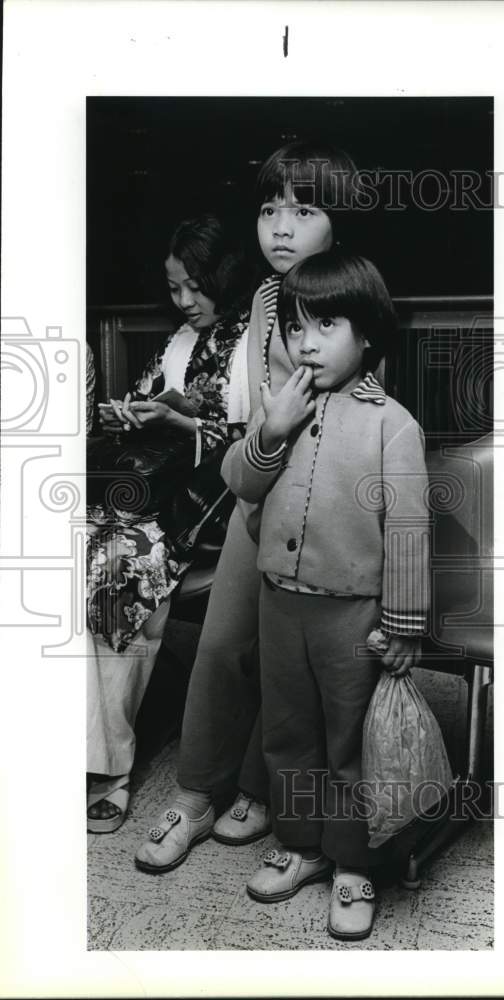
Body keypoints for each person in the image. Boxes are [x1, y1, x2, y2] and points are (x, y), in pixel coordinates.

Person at [135, 141, 364, 873]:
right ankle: (199, 793)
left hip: (329, 510)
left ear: (340, 220)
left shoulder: (355, 292)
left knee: (293, 664)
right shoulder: (263, 300)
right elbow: (256, 425)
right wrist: (264, 438)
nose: (281, 226)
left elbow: (363, 424)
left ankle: (262, 792)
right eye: (269, 209)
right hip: (259, 493)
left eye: (303, 209)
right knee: (222, 646)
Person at [221, 249, 430, 940]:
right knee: (287, 734)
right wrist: (270, 430)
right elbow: (240, 482)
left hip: (353, 617)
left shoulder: (389, 424)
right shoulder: (280, 409)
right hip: (279, 602)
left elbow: (405, 530)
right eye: (295, 326)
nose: (305, 342)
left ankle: (353, 861)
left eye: (327, 323)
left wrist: (402, 625)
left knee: (349, 745)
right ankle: (303, 844)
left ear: (366, 333)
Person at [87, 213, 252, 833]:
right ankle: (83, 732)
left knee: (114, 568)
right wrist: (133, 412)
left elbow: (269, 443)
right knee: (71, 551)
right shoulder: (180, 341)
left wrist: (192, 427)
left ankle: (111, 768)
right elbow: (155, 402)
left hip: (213, 510)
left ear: (224, 277)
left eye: (194, 287)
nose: (182, 302)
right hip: (156, 494)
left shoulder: (257, 339)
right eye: (173, 287)